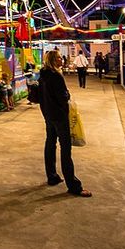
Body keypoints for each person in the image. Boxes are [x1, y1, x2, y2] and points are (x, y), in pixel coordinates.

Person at [38, 50, 91, 197]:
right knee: (65, 148)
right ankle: (73, 185)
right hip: (59, 116)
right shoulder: (56, 76)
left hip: (48, 114)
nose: (62, 60)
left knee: (50, 143)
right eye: (59, 58)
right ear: (54, 60)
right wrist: (67, 95)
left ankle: (52, 176)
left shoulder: (43, 75)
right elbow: (63, 97)